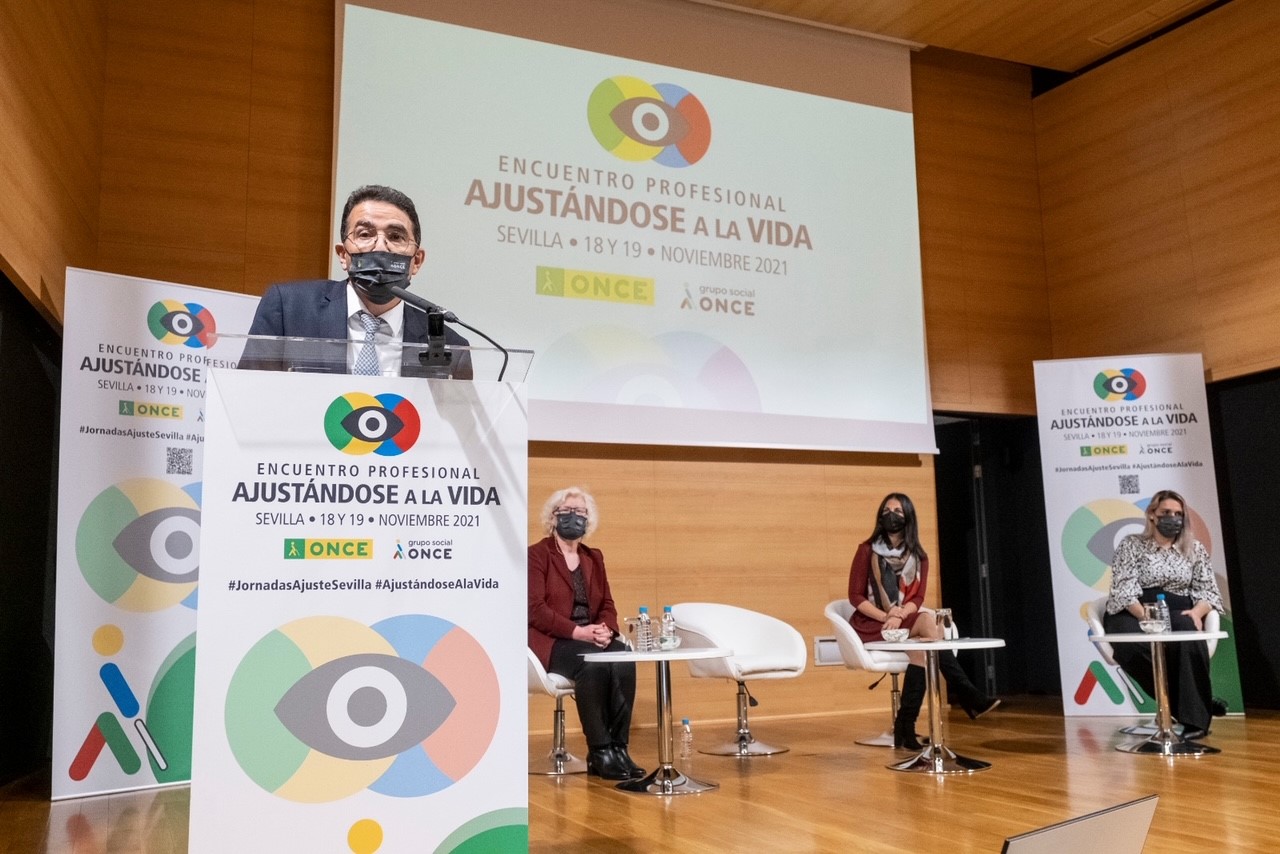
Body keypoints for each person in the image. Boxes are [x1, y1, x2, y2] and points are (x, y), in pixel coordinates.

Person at [241, 184, 471, 377]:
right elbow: (248, 400)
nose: (380, 245)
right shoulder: (289, 309)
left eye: (396, 237)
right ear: (343, 255)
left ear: (417, 261)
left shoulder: (451, 346)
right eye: (365, 234)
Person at [848, 493, 1000, 749]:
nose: (891, 515)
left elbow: (917, 597)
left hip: (901, 621)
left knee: (925, 634)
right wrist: (888, 615)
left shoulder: (919, 557)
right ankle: (967, 694)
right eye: (886, 510)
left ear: (907, 517)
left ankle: (905, 729)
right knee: (928, 629)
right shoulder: (866, 550)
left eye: (897, 510)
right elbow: (855, 596)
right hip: (871, 622)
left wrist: (899, 614)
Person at [528, 486, 643, 781]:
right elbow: (535, 610)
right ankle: (600, 750)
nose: (573, 517)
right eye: (566, 511)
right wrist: (579, 632)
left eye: (580, 512)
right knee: (591, 662)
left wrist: (606, 629)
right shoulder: (537, 555)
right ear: (553, 517)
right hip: (554, 640)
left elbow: (607, 604)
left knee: (623, 656)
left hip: (591, 636)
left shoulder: (594, 557)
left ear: (588, 520)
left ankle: (619, 748)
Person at [1103, 489, 1225, 739]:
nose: (1173, 518)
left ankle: (1195, 722)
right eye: (1166, 513)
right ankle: (1189, 704)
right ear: (1152, 516)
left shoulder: (1194, 549)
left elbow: (1208, 591)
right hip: (1134, 607)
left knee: (1186, 636)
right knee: (1130, 645)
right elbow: (1124, 587)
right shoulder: (1132, 545)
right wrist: (1145, 616)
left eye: (1179, 514)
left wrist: (1197, 611)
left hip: (1180, 606)